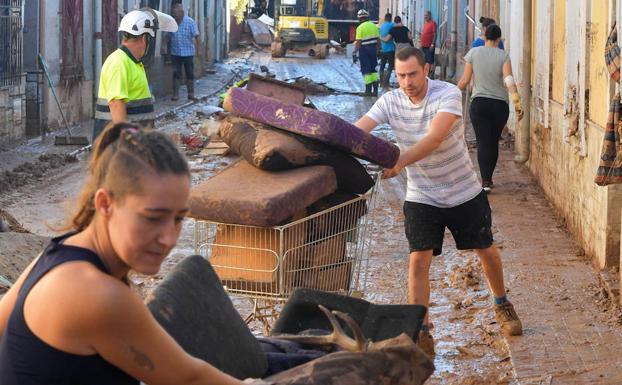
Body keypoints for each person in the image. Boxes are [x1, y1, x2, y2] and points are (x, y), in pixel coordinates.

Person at [0, 122, 267, 384]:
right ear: (105, 203)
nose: (168, 238)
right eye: (152, 218)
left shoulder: (60, 250)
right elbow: (188, 377)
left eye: (178, 219)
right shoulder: (99, 296)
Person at [354, 47, 522, 357]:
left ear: (426, 69)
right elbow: (359, 130)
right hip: (421, 194)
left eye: (413, 74)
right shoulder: (390, 100)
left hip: (463, 191)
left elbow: (433, 139)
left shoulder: (447, 95)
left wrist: (399, 162)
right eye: (401, 75)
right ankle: (422, 329)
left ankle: (502, 303)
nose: (407, 82)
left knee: (485, 249)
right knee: (418, 260)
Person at [93, 9, 178, 142]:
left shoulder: (133, 62)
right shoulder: (119, 62)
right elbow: (116, 104)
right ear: (145, 38)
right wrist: (131, 142)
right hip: (116, 148)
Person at [457, 24, 523, 193]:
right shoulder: (503, 55)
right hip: (500, 105)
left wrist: (450, 96)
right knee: (493, 142)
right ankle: (489, 178)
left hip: (479, 104)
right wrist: (517, 103)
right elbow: (508, 80)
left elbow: (464, 81)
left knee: (482, 142)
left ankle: (485, 181)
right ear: (499, 39)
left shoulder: (473, 53)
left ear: (484, 37)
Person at [164, 4, 201, 101]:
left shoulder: (190, 22)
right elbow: (168, 36)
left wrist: (199, 49)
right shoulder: (172, 23)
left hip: (188, 53)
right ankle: (176, 94)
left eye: (175, 13)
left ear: (181, 13)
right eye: (173, 13)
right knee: (176, 73)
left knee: (189, 73)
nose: (174, 15)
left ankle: (191, 94)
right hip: (175, 52)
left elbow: (197, 36)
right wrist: (163, 45)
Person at [353, 9, 381, 97]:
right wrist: (378, 50)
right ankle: (375, 91)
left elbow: (358, 42)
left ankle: (368, 91)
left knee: (366, 70)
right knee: (373, 69)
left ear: (359, 19)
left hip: (364, 51)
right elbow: (378, 40)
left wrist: (354, 53)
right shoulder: (374, 26)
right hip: (373, 49)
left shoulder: (360, 28)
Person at [378, 13, 395, 89]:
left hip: (383, 49)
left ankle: (381, 82)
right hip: (390, 49)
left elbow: (379, 37)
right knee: (391, 65)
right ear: (390, 18)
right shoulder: (392, 25)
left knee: (382, 65)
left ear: (385, 18)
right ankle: (386, 82)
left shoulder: (381, 27)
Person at [420, 11, 437, 75]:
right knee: (425, 60)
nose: (425, 17)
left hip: (429, 46)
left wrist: (432, 44)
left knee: (430, 60)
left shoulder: (433, 23)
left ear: (430, 16)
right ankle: (426, 73)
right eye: (424, 16)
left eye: (426, 15)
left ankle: (431, 74)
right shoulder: (426, 23)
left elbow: (435, 34)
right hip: (423, 45)